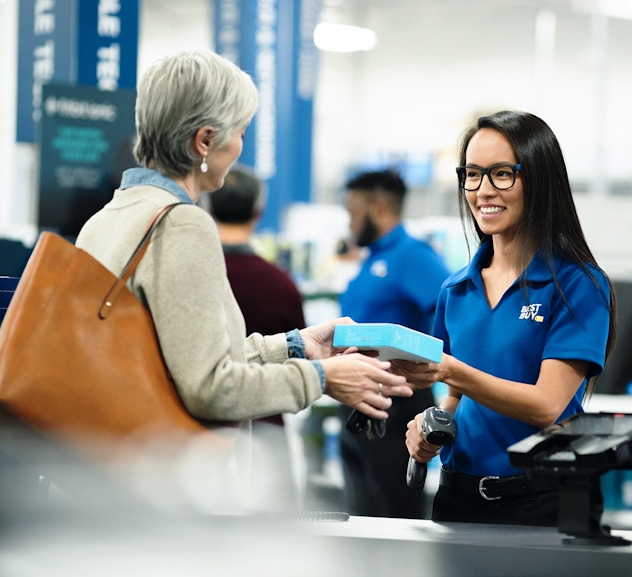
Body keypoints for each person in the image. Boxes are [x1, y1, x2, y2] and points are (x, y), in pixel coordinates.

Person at [74, 50, 412, 487]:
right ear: (204, 141)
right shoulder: (182, 224)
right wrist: (321, 377)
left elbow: (175, 358)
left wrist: (294, 345)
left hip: (110, 471)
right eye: (240, 133)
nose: (240, 148)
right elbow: (210, 388)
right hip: (170, 487)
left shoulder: (107, 219)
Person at [398, 110, 616, 526]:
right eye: (473, 174)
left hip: (544, 501)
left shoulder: (578, 284)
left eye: (501, 174)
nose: (483, 191)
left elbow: (548, 406)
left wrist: (450, 371)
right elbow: (459, 398)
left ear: (539, 180)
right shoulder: (456, 289)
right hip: (458, 499)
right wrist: (432, 429)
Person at [339, 169, 451, 519]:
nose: (349, 221)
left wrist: (432, 369)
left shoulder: (412, 256)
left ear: (380, 207)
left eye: (354, 211)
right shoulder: (371, 258)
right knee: (361, 514)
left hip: (394, 406)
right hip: (358, 401)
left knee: (393, 514)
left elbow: (451, 316)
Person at [208, 164, 306, 509]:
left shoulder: (197, 275)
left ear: (208, 207)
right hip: (268, 429)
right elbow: (301, 351)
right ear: (258, 212)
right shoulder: (281, 284)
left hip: (202, 440)